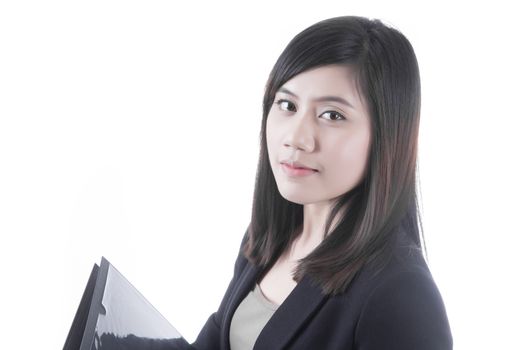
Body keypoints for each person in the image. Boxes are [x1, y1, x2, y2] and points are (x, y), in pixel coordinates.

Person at [100, 14, 453, 350]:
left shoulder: (402, 293)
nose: (297, 137)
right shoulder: (267, 241)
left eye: (332, 115)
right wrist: (99, 338)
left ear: (388, 136)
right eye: (287, 105)